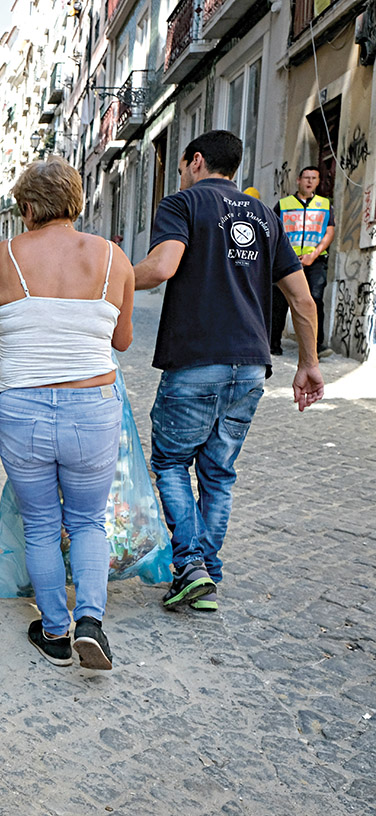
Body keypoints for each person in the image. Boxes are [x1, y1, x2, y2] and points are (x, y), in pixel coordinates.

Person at [133, 131, 324, 613]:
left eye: (181, 167)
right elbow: (301, 298)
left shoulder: (181, 204)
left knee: (172, 463)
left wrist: (102, 275)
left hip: (197, 360)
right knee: (218, 474)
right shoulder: (265, 216)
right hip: (251, 368)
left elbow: (161, 267)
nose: (180, 175)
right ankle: (205, 577)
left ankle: (192, 566)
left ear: (196, 161)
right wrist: (309, 364)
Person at [0, 157, 135, 670]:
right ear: (77, 199)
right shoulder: (114, 258)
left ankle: (55, 631)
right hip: (93, 408)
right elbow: (122, 339)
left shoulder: (5, 256)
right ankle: (90, 621)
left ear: (25, 208)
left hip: (23, 410)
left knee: (41, 524)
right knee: (88, 521)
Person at [270, 167, 335, 357]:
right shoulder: (283, 204)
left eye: (313, 178)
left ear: (318, 181)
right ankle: (273, 343)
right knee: (279, 301)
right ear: (298, 180)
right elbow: (274, 230)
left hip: (314, 260)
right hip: (286, 260)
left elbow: (329, 232)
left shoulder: (324, 204)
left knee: (315, 299)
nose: (309, 181)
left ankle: (316, 344)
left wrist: (313, 255)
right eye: (306, 178)